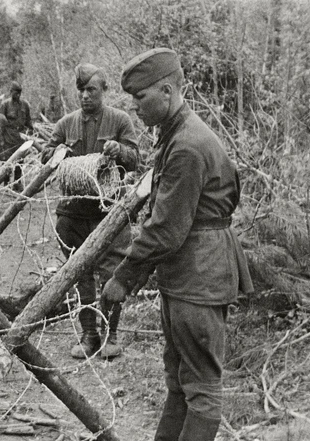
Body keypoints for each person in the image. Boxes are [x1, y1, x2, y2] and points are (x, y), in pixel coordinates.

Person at [101, 48, 253, 440]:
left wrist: (124, 276)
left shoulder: (186, 144)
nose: (134, 107)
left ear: (167, 91)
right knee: (179, 381)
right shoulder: (175, 134)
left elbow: (166, 229)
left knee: (201, 388)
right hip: (187, 273)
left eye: (140, 97)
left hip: (199, 276)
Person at [40, 64, 139, 359]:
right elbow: (46, 154)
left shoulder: (120, 121)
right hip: (73, 215)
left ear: (104, 91)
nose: (85, 96)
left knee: (113, 272)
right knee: (79, 273)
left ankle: (111, 335)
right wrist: (61, 155)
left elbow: (135, 158)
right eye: (81, 90)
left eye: (91, 90)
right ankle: (88, 335)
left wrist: (118, 151)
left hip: (108, 213)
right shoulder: (66, 124)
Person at [0, 81, 34, 189]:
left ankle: (17, 183)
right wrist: (1, 140)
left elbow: (28, 121)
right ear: (10, 92)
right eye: (15, 93)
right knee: (7, 161)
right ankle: (6, 183)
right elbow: (0, 124)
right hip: (8, 137)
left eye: (19, 93)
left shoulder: (25, 105)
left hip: (20, 138)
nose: (17, 95)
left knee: (20, 162)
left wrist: (30, 131)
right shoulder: (5, 105)